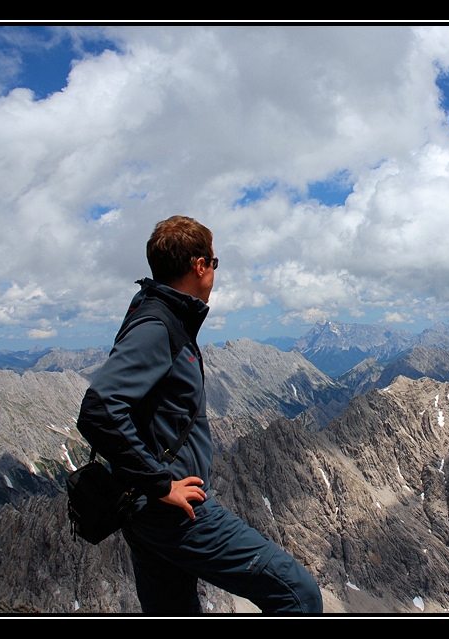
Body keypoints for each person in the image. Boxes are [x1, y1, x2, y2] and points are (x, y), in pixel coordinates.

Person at [76, 215, 323, 614]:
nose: (214, 271)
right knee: (299, 594)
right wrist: (162, 485)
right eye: (214, 261)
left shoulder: (160, 314)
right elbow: (98, 411)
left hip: (148, 512)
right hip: (172, 512)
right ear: (199, 265)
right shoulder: (158, 324)